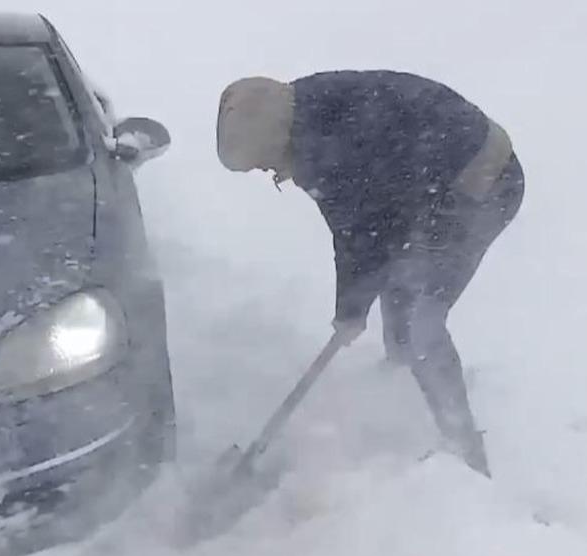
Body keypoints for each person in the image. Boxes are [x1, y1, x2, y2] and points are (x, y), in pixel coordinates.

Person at [215, 70, 525, 477]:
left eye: (261, 162)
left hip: (482, 182)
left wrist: (351, 311)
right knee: (398, 285)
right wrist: (352, 307)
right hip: (431, 187)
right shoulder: (305, 115)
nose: (267, 171)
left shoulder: (328, 144)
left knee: (421, 320)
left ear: (273, 138)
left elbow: (364, 231)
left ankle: (464, 449)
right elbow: (358, 229)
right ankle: (401, 385)